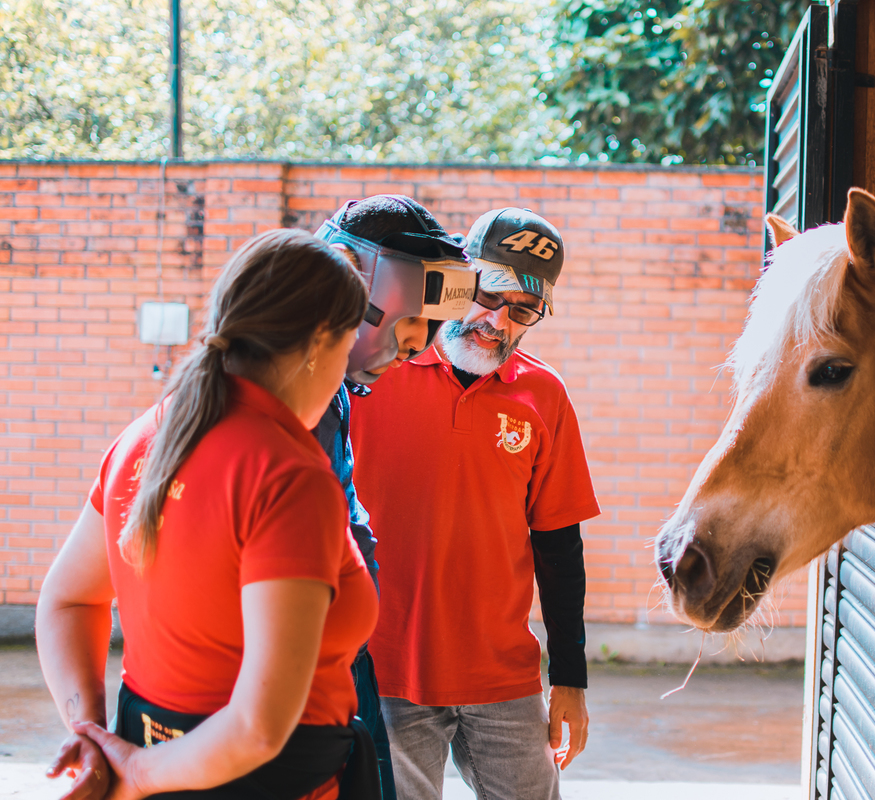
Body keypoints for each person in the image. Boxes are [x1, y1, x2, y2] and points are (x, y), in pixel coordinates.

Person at [36, 228, 377, 800]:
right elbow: (257, 727)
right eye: (346, 350)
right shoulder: (290, 474)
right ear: (320, 342)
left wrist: (93, 736)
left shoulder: (147, 437)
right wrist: (137, 772)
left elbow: (68, 599)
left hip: (153, 767)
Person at [349, 208, 601, 800]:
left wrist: (570, 679)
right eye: (488, 295)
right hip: (386, 672)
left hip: (502, 676)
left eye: (523, 310)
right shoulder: (376, 370)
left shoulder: (545, 395)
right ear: (458, 284)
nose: (497, 321)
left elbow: (559, 546)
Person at [311, 194, 477, 800]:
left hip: (341, 677)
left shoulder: (334, 399)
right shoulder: (282, 420)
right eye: (412, 328)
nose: (416, 350)